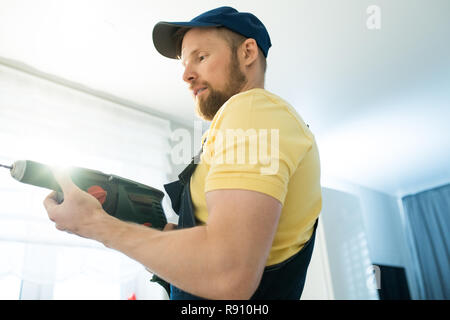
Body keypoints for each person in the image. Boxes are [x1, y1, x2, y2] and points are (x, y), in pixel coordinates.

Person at [43, 6, 322, 300]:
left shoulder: (251, 110)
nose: (187, 75)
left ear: (248, 52)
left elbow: (228, 273)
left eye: (201, 58)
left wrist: (96, 225)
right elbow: (214, 244)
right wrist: (143, 224)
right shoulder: (244, 125)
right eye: (184, 65)